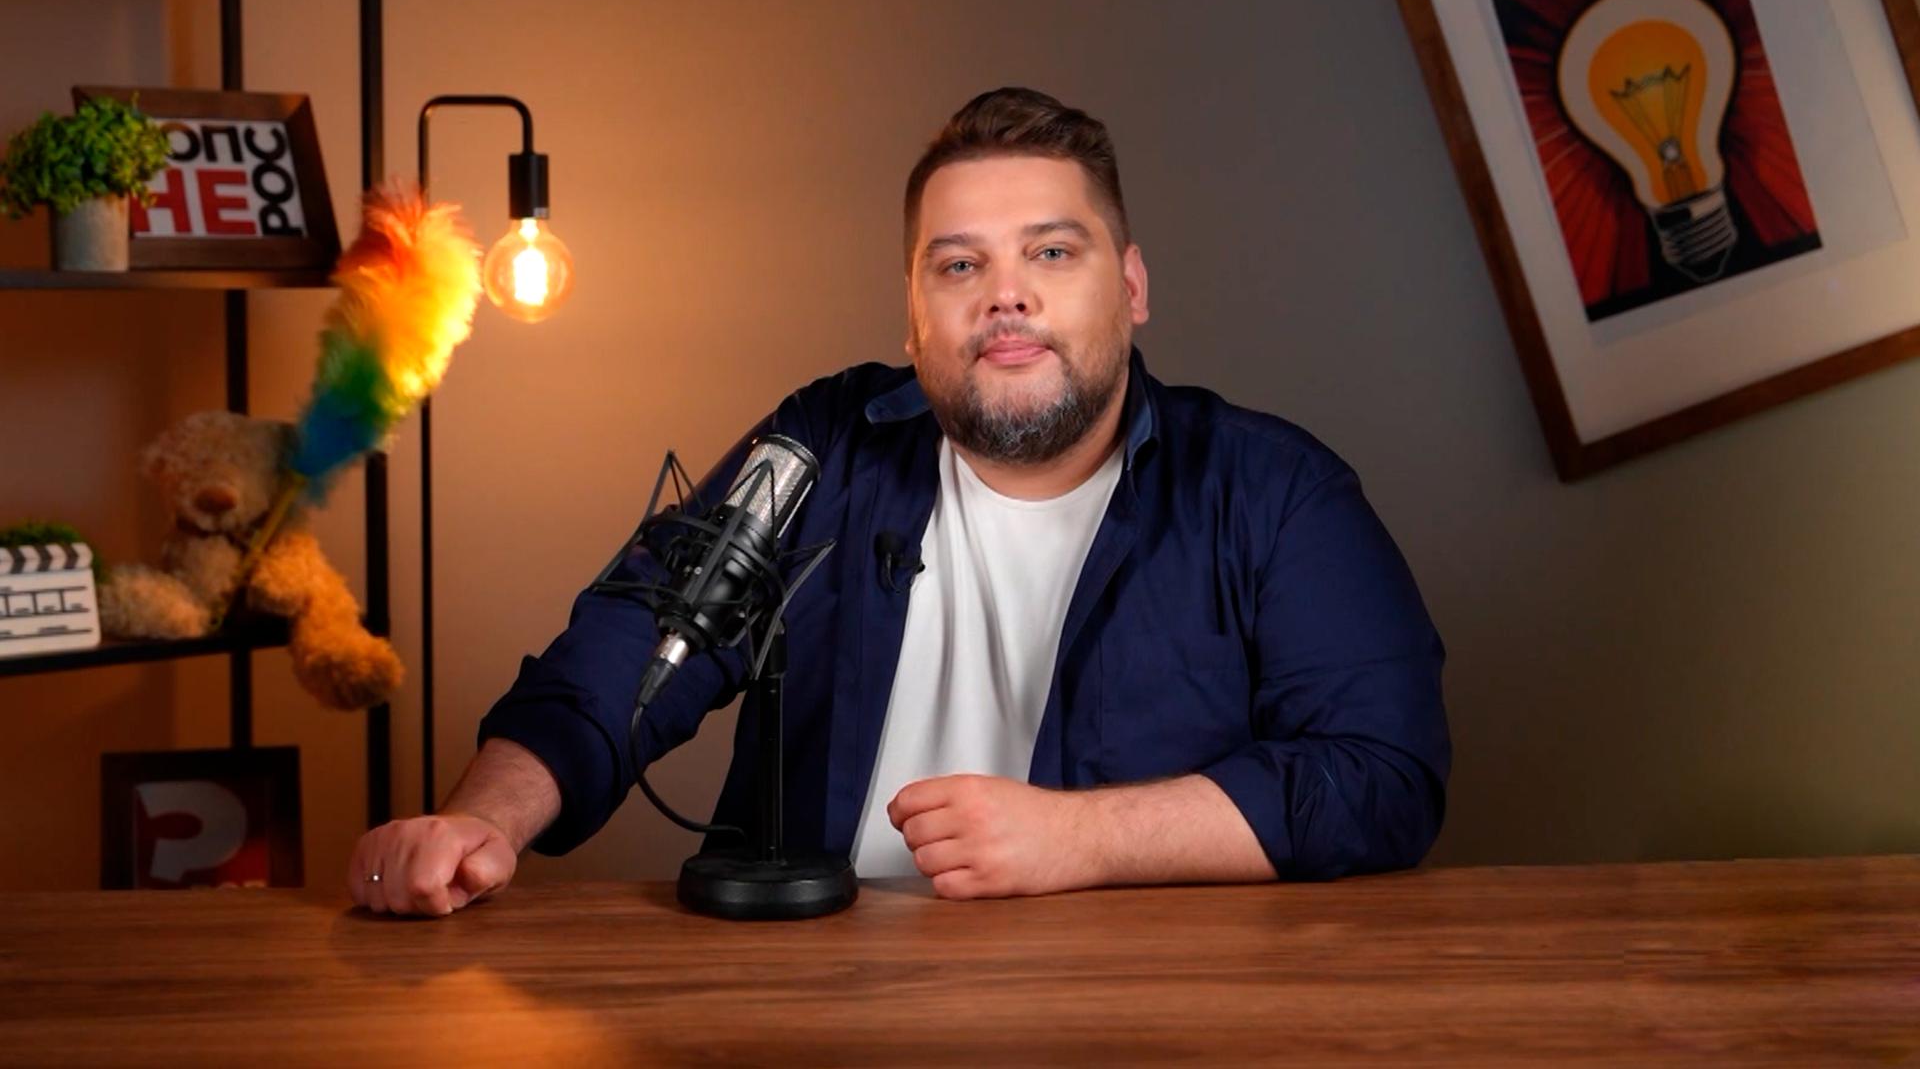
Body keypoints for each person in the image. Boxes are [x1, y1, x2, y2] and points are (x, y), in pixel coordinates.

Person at [348, 87, 1450, 917]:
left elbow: (1384, 774)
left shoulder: (1273, 491)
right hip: (812, 1005)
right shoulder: (825, 443)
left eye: (1050, 252)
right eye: (959, 266)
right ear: (912, 314)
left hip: (1136, 1011)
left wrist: (1082, 840)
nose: (1006, 295)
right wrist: (480, 823)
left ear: (1130, 287)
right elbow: (631, 644)